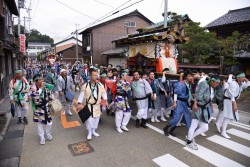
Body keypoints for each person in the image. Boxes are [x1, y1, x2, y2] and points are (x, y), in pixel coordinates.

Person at [186, 75, 221, 150]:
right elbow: (197, 94)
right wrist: (195, 104)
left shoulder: (212, 87)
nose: (217, 84)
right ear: (212, 81)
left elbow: (209, 98)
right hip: (198, 107)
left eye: (218, 83)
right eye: (217, 83)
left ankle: (191, 138)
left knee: (205, 127)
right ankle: (189, 142)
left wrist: (210, 105)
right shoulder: (204, 84)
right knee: (194, 125)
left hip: (204, 109)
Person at [217, 72, 250, 138]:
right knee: (228, 117)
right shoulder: (233, 83)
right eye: (242, 77)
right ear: (238, 77)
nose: (244, 78)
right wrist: (234, 104)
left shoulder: (240, 83)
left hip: (231, 100)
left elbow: (248, 84)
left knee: (231, 117)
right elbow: (231, 95)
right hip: (228, 100)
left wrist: (246, 80)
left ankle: (221, 124)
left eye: (244, 77)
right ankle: (223, 131)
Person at [77, 69, 108, 140]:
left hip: (97, 105)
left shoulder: (100, 85)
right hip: (89, 105)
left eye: (97, 75)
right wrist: (79, 103)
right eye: (94, 75)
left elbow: (103, 93)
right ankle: (89, 132)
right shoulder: (85, 85)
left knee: (96, 119)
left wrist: (106, 101)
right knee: (89, 120)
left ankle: (93, 131)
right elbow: (81, 95)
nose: (96, 76)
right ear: (90, 76)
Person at [163, 70, 193, 136]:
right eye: (189, 76)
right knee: (176, 118)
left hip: (185, 103)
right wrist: (175, 102)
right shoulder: (181, 83)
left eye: (191, 76)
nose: (190, 77)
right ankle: (165, 128)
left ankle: (171, 130)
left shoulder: (190, 84)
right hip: (179, 102)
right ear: (185, 77)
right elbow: (176, 93)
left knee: (183, 118)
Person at [31, 74, 54, 145]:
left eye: (42, 79)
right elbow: (35, 99)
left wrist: (51, 99)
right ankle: (42, 137)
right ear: (35, 81)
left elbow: (50, 96)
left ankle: (48, 133)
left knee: (49, 123)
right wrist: (40, 88)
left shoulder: (45, 87)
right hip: (38, 109)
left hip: (46, 108)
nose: (42, 81)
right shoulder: (33, 88)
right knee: (39, 124)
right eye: (40, 80)